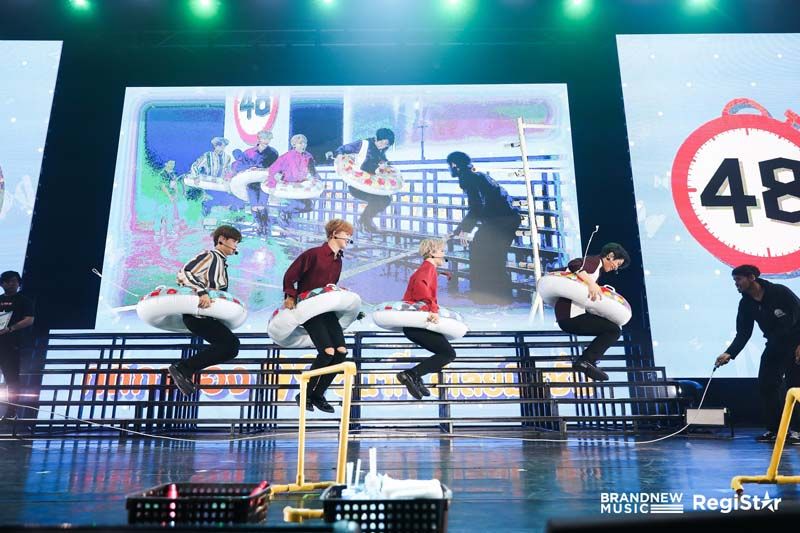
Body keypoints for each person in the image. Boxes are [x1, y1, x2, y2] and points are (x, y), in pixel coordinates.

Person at [714, 265, 800, 444]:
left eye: (738, 279)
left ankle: (798, 431)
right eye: (734, 280)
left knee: (795, 387)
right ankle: (776, 430)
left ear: (751, 277)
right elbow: (743, 332)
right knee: (767, 384)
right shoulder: (746, 303)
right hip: (775, 345)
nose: (736, 284)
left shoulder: (779, 292)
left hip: (796, 343)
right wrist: (729, 353)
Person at [282, 219, 354, 413]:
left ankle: (318, 394)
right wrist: (290, 295)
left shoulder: (339, 260)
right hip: (310, 309)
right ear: (334, 233)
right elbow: (290, 275)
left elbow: (330, 286)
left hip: (327, 311)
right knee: (327, 352)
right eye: (346, 234)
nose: (349, 238)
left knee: (341, 352)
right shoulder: (313, 254)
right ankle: (304, 393)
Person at [168, 225, 242, 396]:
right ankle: (183, 368)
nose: (235, 246)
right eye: (234, 241)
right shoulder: (210, 256)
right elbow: (184, 273)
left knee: (230, 346)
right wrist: (201, 291)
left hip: (205, 316)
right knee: (230, 345)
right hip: (197, 315)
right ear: (222, 239)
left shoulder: (221, 263)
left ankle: (185, 369)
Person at [447, 151, 522, 304]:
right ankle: (492, 296)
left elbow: (477, 206)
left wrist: (464, 230)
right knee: (489, 255)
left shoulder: (469, 178)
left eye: (450, 165)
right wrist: (461, 230)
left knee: (487, 255)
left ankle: (490, 296)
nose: (450, 169)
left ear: (455, 165)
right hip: (504, 219)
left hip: (501, 221)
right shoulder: (476, 176)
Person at [554, 243, 630, 382]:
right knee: (613, 330)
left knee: (611, 328)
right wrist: (592, 283)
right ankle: (586, 361)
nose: (616, 268)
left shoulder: (597, 270)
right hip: (571, 316)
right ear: (610, 255)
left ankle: (587, 361)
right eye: (617, 263)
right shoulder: (595, 262)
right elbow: (574, 264)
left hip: (570, 316)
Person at [395, 239, 456, 400]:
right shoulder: (427, 269)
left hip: (414, 325)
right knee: (448, 353)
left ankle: (415, 376)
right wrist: (433, 309)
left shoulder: (428, 269)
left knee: (445, 353)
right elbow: (421, 291)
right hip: (417, 324)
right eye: (441, 251)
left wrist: (441, 274)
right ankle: (411, 374)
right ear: (432, 252)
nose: (444, 254)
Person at [330, 128, 395, 233]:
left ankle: (363, 221)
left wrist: (385, 164)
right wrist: (340, 161)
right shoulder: (363, 144)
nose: (383, 146)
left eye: (386, 145)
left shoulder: (381, 151)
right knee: (378, 200)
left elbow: (384, 161)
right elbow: (341, 149)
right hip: (357, 184)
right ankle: (365, 222)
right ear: (378, 138)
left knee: (386, 200)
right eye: (383, 142)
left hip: (372, 185)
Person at [0, 271, 35, 421]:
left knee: (12, 379)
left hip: (11, 345)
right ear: (2, 283)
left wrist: (10, 328)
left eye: (15, 281)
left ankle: (11, 411)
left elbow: (29, 319)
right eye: (8, 281)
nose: (12, 284)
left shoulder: (24, 301)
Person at [232, 131, 279, 236]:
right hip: (251, 183)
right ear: (259, 139)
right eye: (264, 138)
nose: (267, 141)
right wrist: (249, 168)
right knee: (254, 206)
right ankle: (259, 226)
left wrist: (266, 170)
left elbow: (276, 167)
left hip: (265, 183)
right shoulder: (249, 152)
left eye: (269, 139)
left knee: (262, 206)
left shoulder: (273, 152)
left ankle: (265, 227)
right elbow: (238, 165)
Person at [267, 134, 316, 227]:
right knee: (298, 204)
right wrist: (272, 185)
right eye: (300, 143)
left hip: (301, 187)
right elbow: (272, 169)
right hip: (288, 187)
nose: (303, 145)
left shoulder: (308, 156)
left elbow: (313, 171)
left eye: (305, 143)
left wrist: (316, 180)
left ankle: (286, 213)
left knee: (310, 206)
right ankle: (284, 215)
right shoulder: (286, 157)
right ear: (294, 145)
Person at [154, 160, 184, 239]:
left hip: (171, 198)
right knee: (160, 214)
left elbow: (175, 184)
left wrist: (176, 194)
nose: (172, 165)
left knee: (170, 214)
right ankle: (157, 232)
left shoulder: (173, 174)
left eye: (173, 164)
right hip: (162, 198)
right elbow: (163, 186)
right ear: (166, 164)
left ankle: (169, 231)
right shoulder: (162, 174)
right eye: (170, 163)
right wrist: (169, 196)